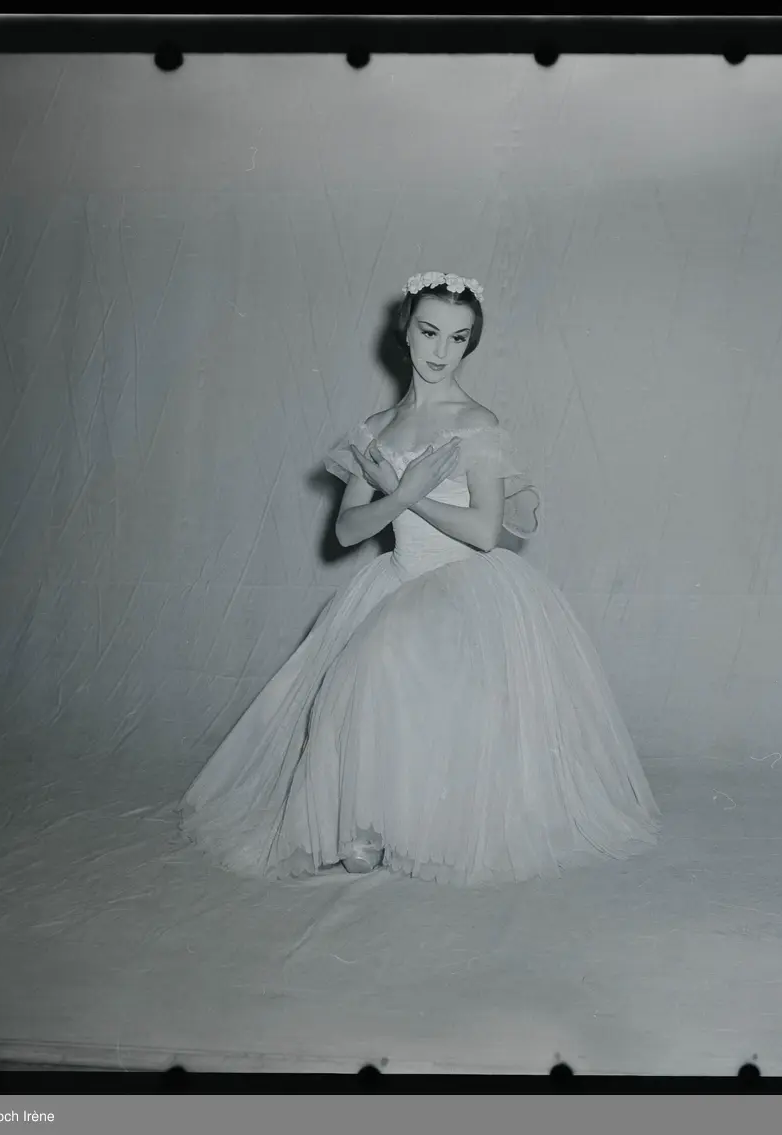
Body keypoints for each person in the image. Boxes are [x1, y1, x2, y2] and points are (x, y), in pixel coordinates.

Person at [181, 272, 660, 885]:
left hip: (466, 582)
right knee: (356, 679)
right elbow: (347, 531)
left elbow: (484, 532)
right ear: (404, 329)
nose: (441, 351)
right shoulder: (376, 428)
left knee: (387, 658)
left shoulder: (476, 422)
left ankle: (407, 826)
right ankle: (363, 823)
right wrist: (399, 495)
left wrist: (410, 494)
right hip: (397, 577)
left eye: (458, 338)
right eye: (430, 332)